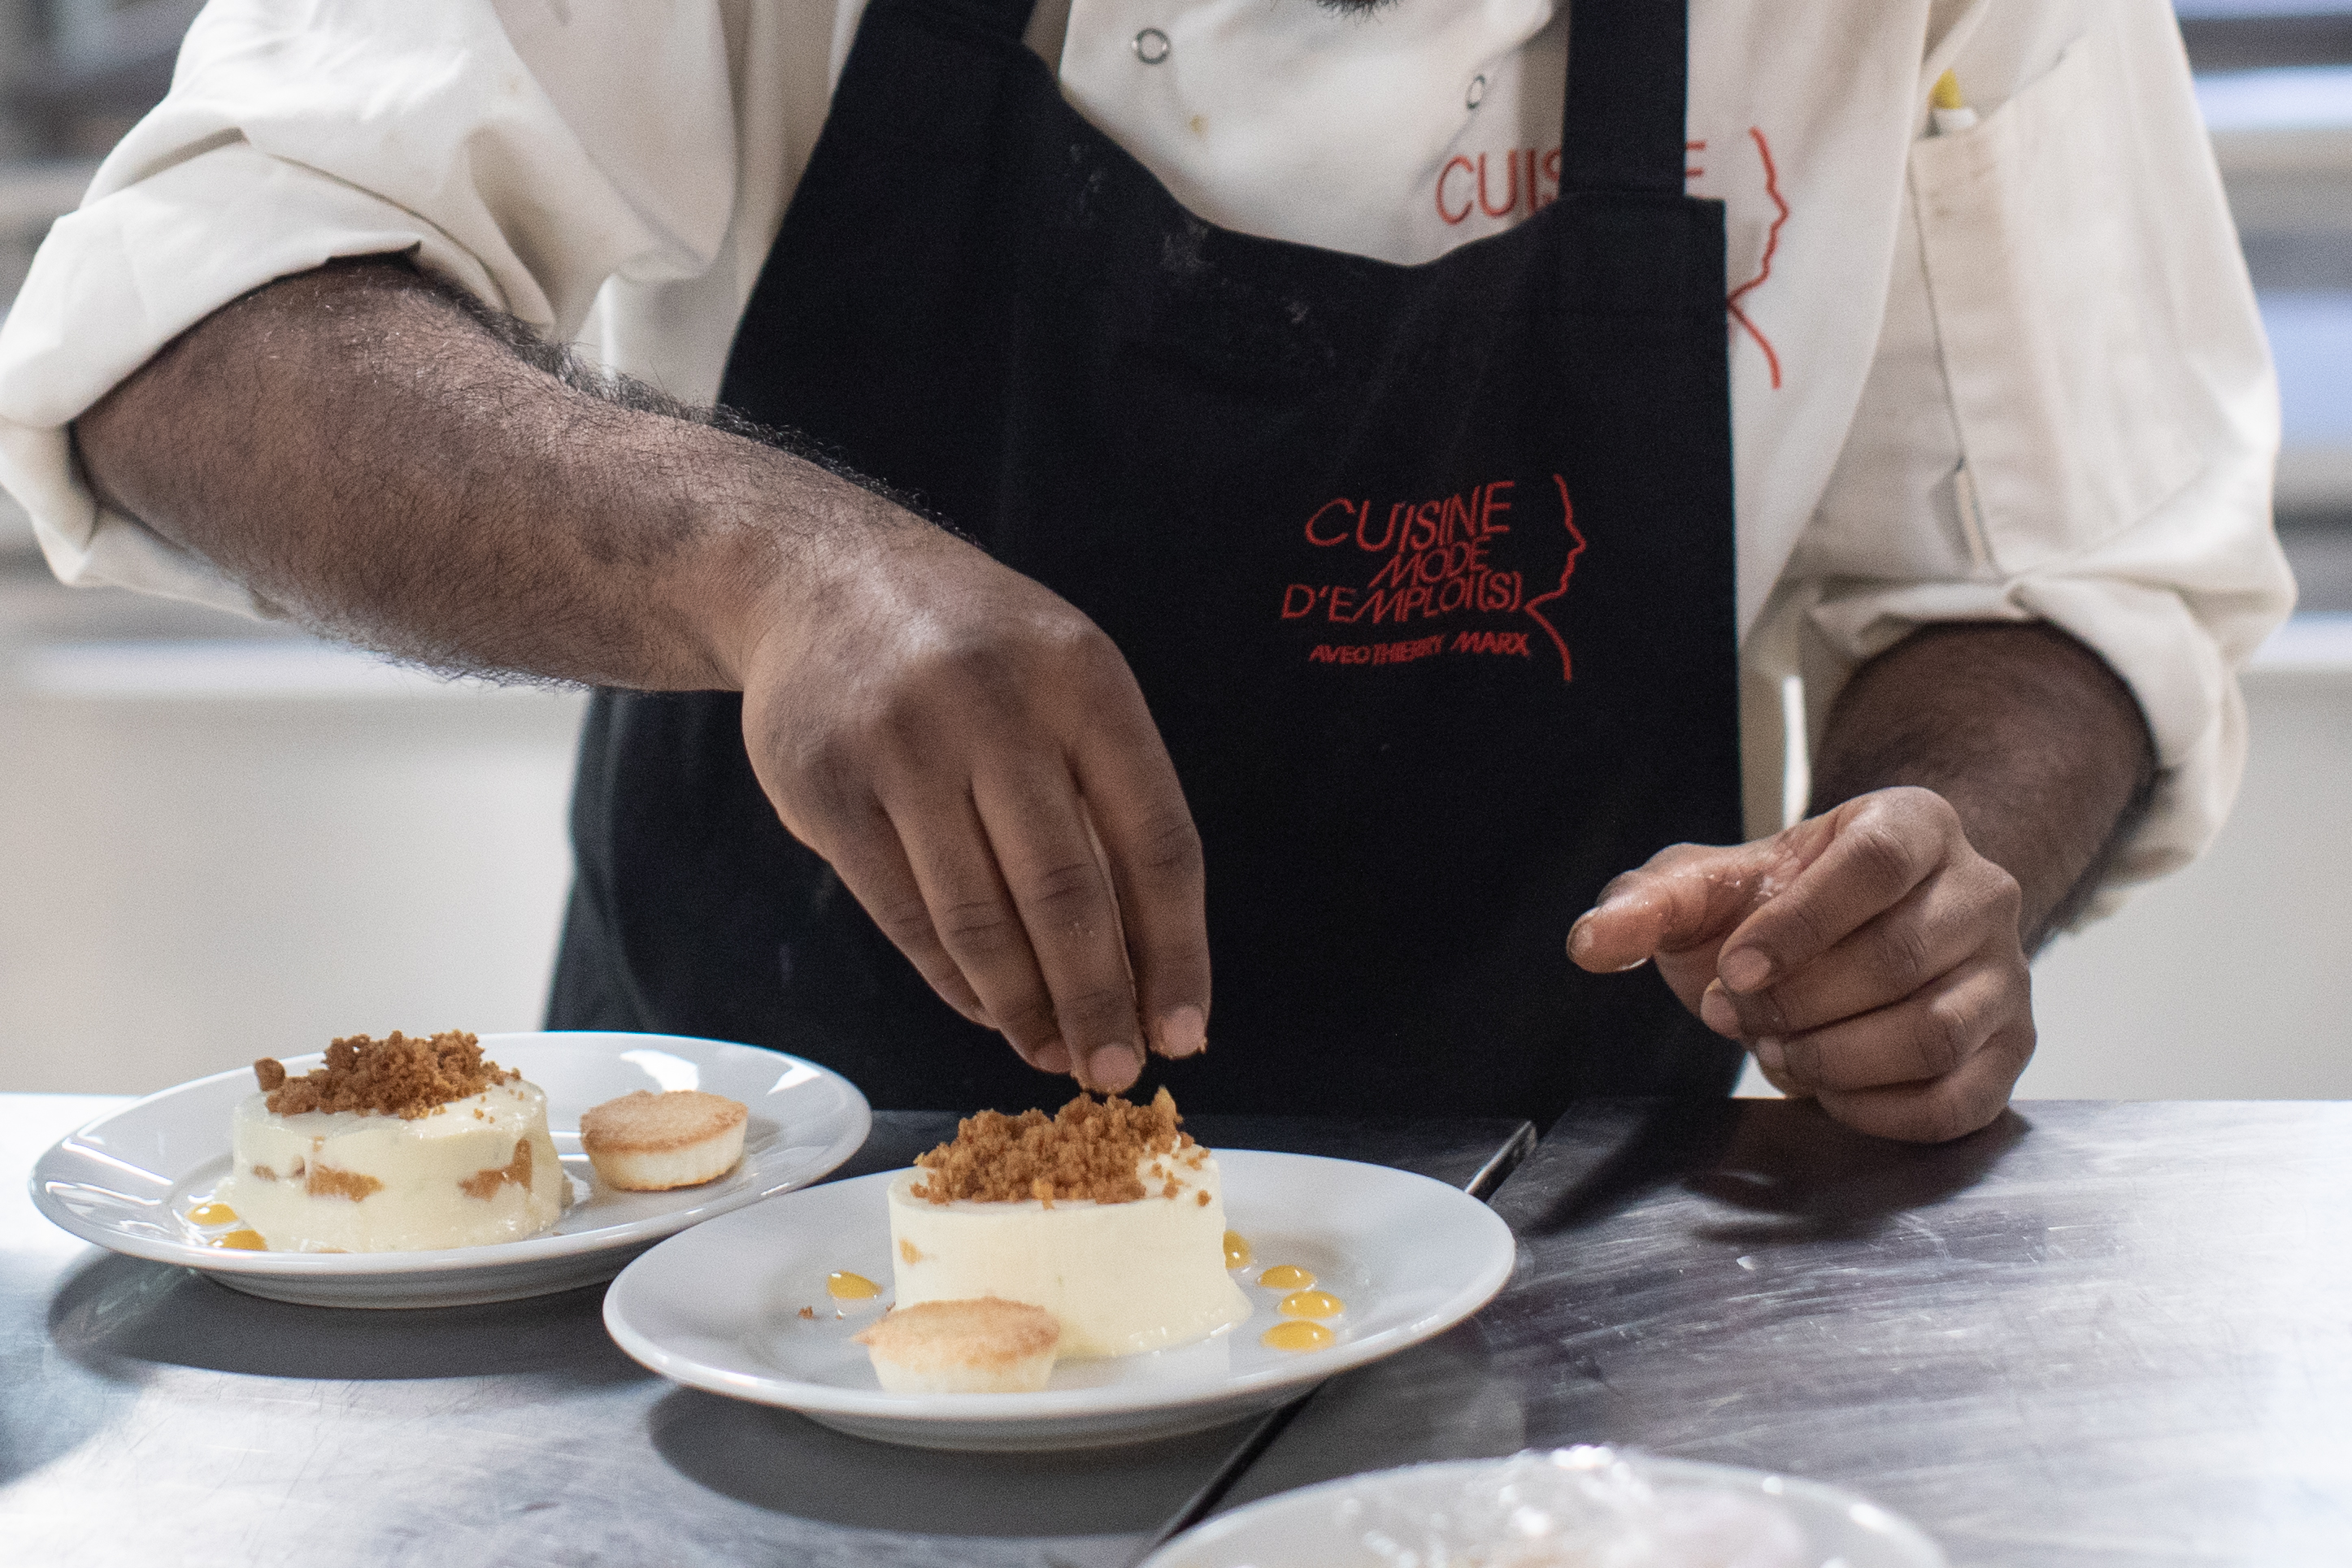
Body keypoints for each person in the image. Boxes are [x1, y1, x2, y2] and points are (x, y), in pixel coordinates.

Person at [0, 0, 2293, 1140]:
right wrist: (774, 563)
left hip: (1567, 1331)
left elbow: (2048, 580)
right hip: (763, 1259)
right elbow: (191, 328)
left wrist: (1940, 863)